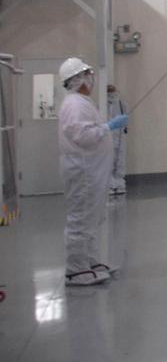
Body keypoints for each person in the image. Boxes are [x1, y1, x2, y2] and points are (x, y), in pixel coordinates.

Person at [57, 58, 128, 286]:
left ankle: (89, 262)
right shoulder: (75, 105)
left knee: (92, 218)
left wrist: (106, 127)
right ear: (78, 79)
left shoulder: (81, 101)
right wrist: (109, 127)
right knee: (80, 218)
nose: (91, 79)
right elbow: (83, 136)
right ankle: (75, 269)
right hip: (83, 170)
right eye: (87, 75)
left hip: (91, 170)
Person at [106, 84, 127, 195]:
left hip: (120, 134)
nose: (112, 93)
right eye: (110, 91)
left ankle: (119, 184)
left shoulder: (121, 103)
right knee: (109, 159)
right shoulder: (103, 104)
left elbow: (125, 117)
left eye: (113, 91)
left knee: (120, 160)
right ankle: (109, 185)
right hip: (108, 136)